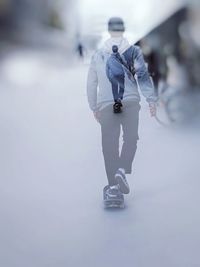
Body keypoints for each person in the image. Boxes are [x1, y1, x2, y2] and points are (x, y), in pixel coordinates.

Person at [87, 17, 157, 198]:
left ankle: (113, 188)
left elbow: (91, 83)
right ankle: (121, 170)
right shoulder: (134, 51)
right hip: (131, 102)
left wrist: (94, 106)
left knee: (109, 144)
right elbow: (142, 75)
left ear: (109, 31)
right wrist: (151, 99)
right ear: (123, 30)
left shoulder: (98, 54)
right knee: (131, 139)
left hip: (107, 105)